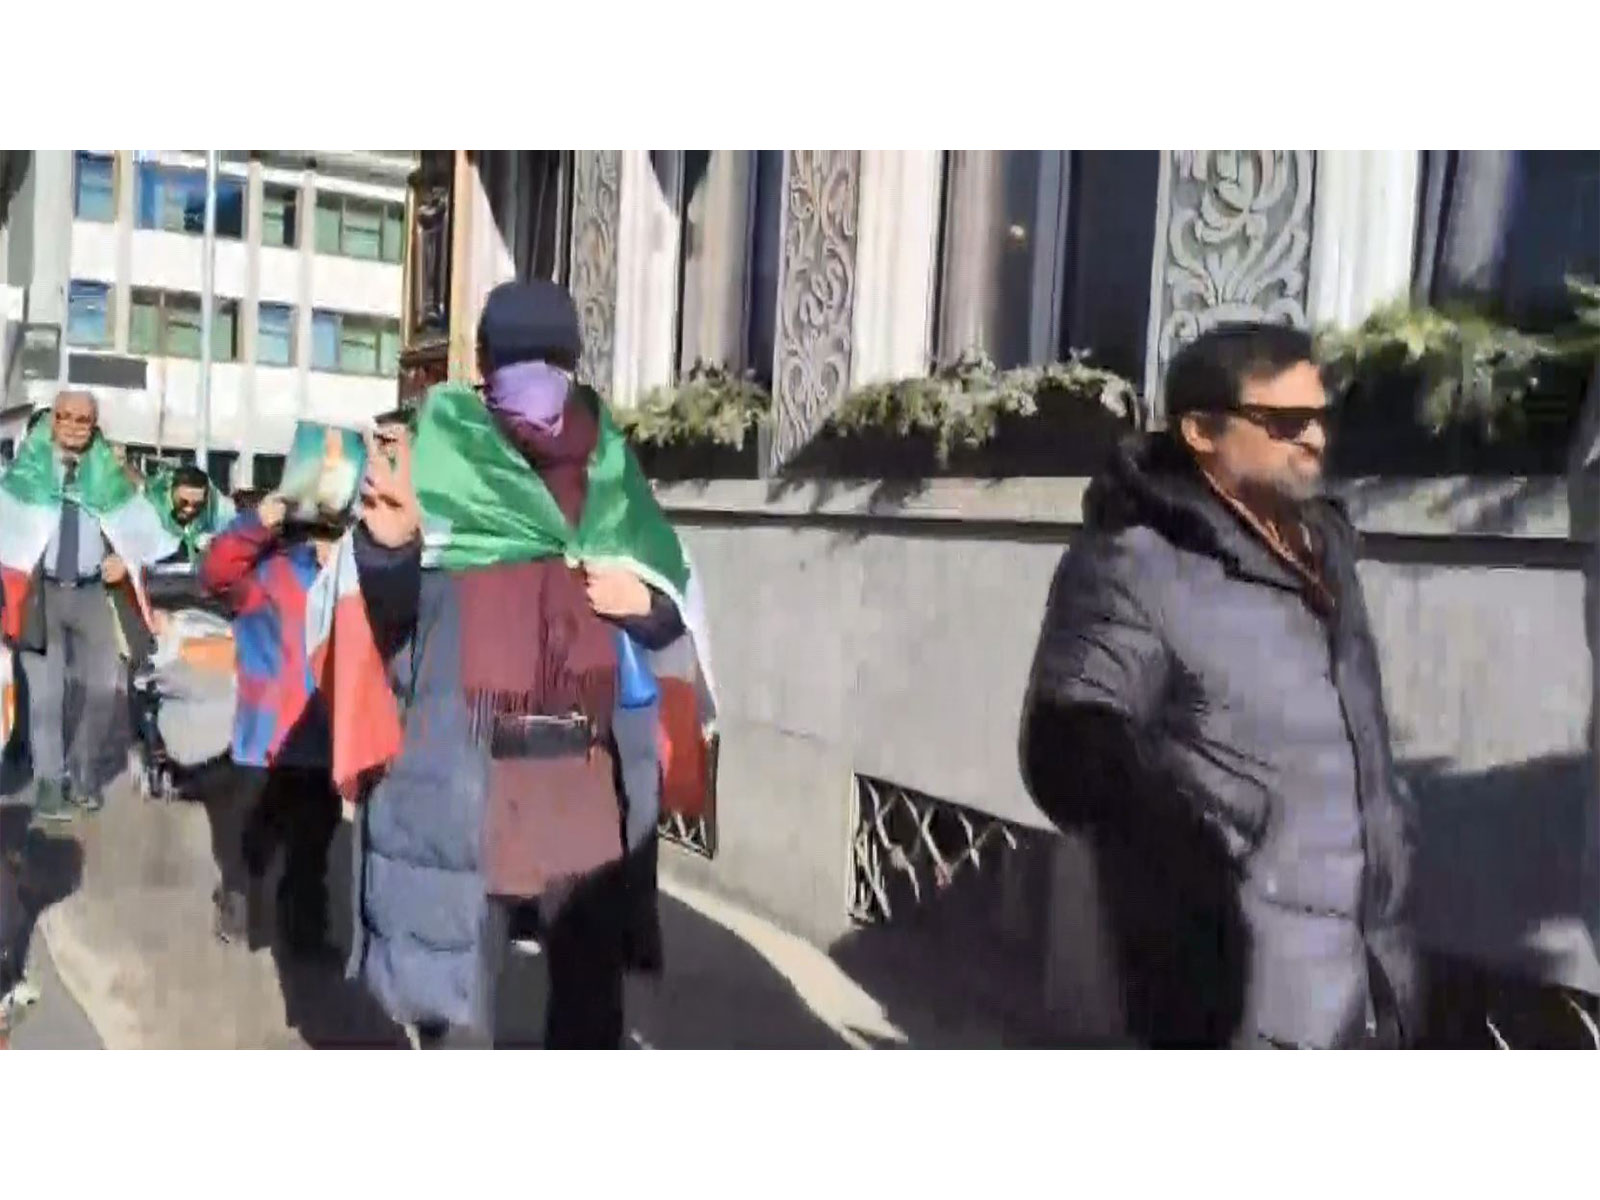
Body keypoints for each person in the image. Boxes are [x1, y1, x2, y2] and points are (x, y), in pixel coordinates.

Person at [1019, 322, 1420, 1049]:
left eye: (1321, 418)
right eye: (1286, 423)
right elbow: (1066, 744)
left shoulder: (1324, 555)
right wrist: (1188, 875)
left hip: (1372, 984)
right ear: (1203, 430)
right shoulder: (1137, 563)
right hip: (1243, 1004)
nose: (1315, 441)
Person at [344, 280, 714, 1049]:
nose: (531, 380)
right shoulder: (431, 455)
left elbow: (675, 600)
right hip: (464, 781)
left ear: (573, 366)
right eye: (514, 362)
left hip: (581, 784)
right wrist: (388, 549)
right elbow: (377, 616)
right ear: (483, 366)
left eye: (548, 361)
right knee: (458, 1011)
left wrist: (640, 599)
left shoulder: (608, 464)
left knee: (588, 1006)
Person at [198, 467, 415, 956]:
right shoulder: (265, 575)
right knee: (254, 839)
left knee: (312, 848)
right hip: (267, 739)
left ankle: (306, 936)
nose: (327, 543)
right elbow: (215, 573)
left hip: (324, 739)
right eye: (321, 532)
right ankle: (238, 903)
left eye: (337, 532)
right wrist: (257, 522)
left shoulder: (356, 579)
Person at [0, 390, 177, 820]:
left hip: (94, 594)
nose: (75, 426)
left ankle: (82, 775)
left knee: (103, 689)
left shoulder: (109, 475)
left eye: (84, 420)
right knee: (45, 695)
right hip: (41, 595)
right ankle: (48, 783)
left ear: (94, 425)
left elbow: (144, 531)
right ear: (52, 420)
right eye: (67, 417)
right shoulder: (23, 473)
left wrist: (125, 558)